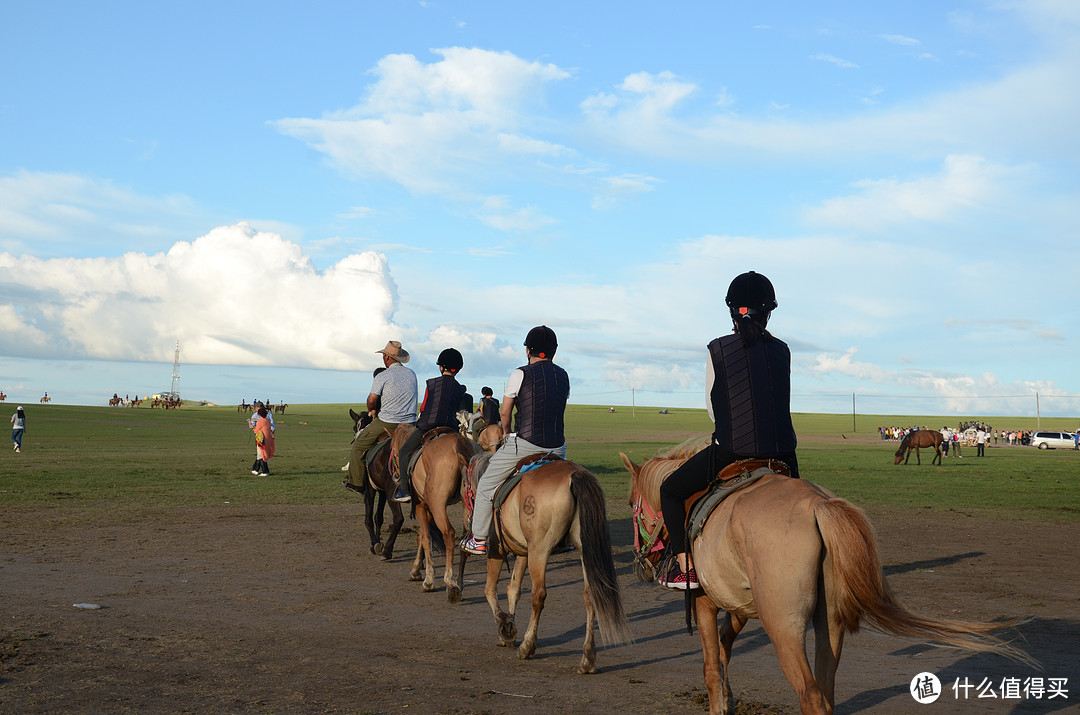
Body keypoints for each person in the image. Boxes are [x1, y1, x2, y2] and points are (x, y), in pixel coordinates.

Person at [657, 271, 800, 590]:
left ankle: (686, 570)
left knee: (670, 490)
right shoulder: (783, 351)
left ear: (731, 311)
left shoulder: (717, 349)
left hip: (732, 450)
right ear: (770, 311)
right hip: (784, 455)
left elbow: (712, 410)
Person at [462, 326, 570, 555]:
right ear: (554, 351)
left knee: (485, 485)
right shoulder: (563, 375)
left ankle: (479, 538)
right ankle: (565, 537)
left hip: (526, 444)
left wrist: (507, 434)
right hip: (558, 448)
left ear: (528, 350)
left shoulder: (519, 373)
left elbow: (505, 412)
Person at [344, 341, 418, 496]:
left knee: (358, 446)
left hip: (387, 421)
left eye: (384, 355)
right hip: (410, 423)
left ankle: (356, 483)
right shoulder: (412, 374)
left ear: (387, 358)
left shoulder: (383, 376)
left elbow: (372, 399)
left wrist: (371, 409)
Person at [393, 348, 467, 502]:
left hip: (427, 427)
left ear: (440, 367)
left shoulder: (431, 384)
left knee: (404, 451)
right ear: (458, 369)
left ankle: (405, 491)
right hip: (450, 429)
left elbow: (424, 407)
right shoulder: (460, 389)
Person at [248, 406, 275, 476]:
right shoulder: (268, 421)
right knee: (261, 455)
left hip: (262, 440)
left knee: (260, 455)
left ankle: (265, 471)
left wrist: (250, 424)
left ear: (259, 415)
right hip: (268, 439)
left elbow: (256, 430)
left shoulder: (260, 421)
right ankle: (255, 470)